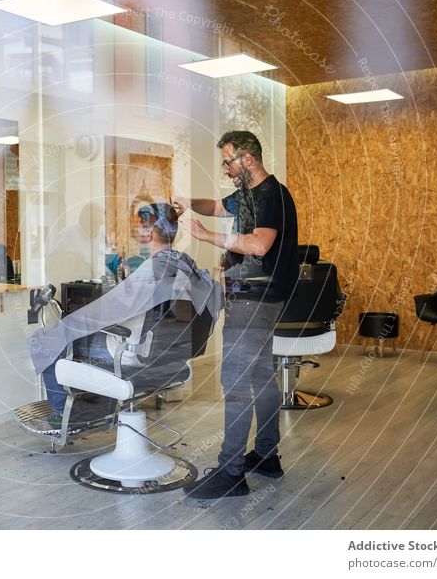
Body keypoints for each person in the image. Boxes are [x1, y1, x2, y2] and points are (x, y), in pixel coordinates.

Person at [173, 130, 299, 499]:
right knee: (260, 378)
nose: (226, 169)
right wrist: (186, 201)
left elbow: (260, 244)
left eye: (228, 161)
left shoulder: (270, 195)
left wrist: (206, 236)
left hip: (256, 300)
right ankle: (266, 456)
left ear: (248, 159)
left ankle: (230, 473)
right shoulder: (249, 195)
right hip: (257, 298)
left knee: (237, 383)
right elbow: (216, 206)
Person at [27, 203, 223, 431]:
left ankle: (65, 417)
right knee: (69, 334)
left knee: (50, 339)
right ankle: (93, 412)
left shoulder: (152, 270)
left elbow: (107, 311)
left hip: (136, 354)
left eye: (139, 226)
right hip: (170, 355)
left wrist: (69, 322)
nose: (136, 231)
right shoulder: (185, 266)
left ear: (149, 233)